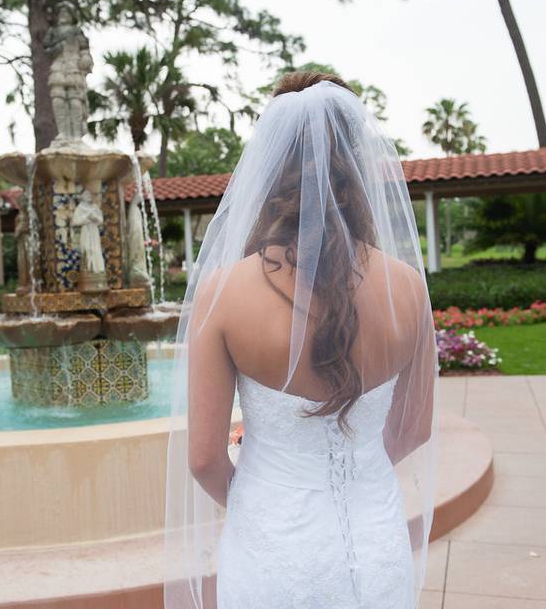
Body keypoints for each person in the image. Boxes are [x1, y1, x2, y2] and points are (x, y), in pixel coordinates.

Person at [163, 72, 439, 608]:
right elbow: (413, 428)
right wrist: (354, 472)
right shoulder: (407, 288)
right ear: (356, 161)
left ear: (267, 165)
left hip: (273, 552)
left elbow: (203, 459)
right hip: (377, 547)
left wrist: (264, 498)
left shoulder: (223, 293)